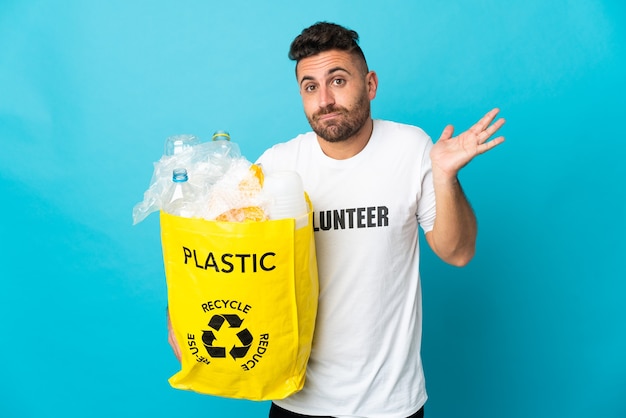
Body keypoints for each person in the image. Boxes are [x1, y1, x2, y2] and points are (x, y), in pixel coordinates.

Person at [169, 21, 505, 418]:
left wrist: (446, 177)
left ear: (371, 84)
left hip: (390, 404)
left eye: (338, 80)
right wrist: (183, 316)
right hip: (297, 398)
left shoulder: (411, 149)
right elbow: (218, 253)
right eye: (310, 87)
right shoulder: (278, 166)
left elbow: (459, 251)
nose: (324, 99)